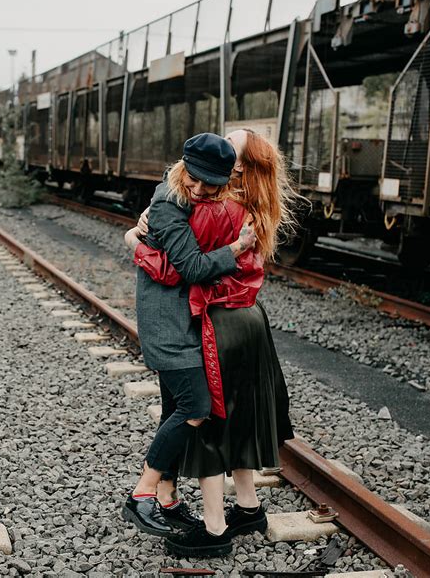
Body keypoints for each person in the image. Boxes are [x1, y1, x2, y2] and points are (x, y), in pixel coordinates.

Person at [132, 129, 295, 557]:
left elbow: (178, 270)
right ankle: (247, 506)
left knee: (208, 420)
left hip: (218, 321)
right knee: (235, 417)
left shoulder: (215, 210)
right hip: (251, 321)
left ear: (237, 167)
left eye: (230, 147)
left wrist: (135, 242)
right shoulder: (260, 206)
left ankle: (215, 527)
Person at [122, 133, 257, 540]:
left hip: (185, 319)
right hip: (167, 323)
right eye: (194, 179)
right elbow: (194, 268)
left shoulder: (189, 198)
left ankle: (166, 498)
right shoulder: (166, 204)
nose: (199, 189)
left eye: (209, 184)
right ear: (183, 166)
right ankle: (142, 493)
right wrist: (235, 249)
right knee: (197, 404)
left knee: (173, 408)